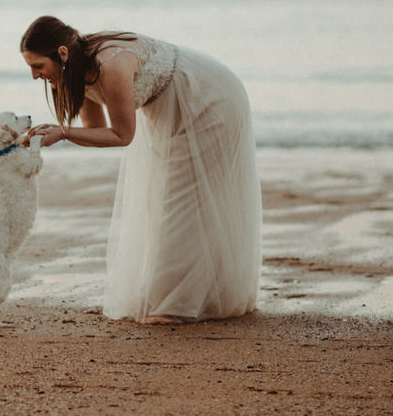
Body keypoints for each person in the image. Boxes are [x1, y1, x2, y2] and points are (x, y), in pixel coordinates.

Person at [20, 16, 259, 324]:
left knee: (179, 203)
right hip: (172, 109)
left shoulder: (110, 66)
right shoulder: (76, 71)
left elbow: (122, 134)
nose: (34, 76)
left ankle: (176, 306)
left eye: (38, 66)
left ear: (62, 55)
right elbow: (96, 129)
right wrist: (56, 131)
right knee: (164, 201)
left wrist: (64, 132)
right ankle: (196, 295)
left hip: (208, 99)